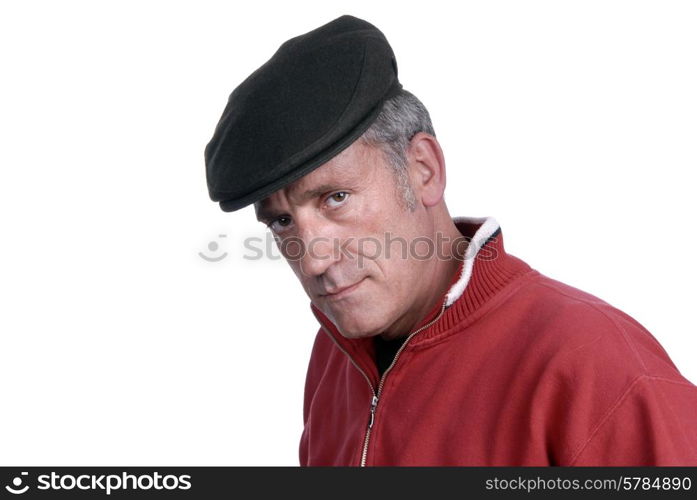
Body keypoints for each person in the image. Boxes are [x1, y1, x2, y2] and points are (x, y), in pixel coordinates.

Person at [204, 15, 697, 466]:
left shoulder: (593, 364)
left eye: (335, 197)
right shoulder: (337, 355)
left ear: (423, 170)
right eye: (282, 223)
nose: (312, 260)